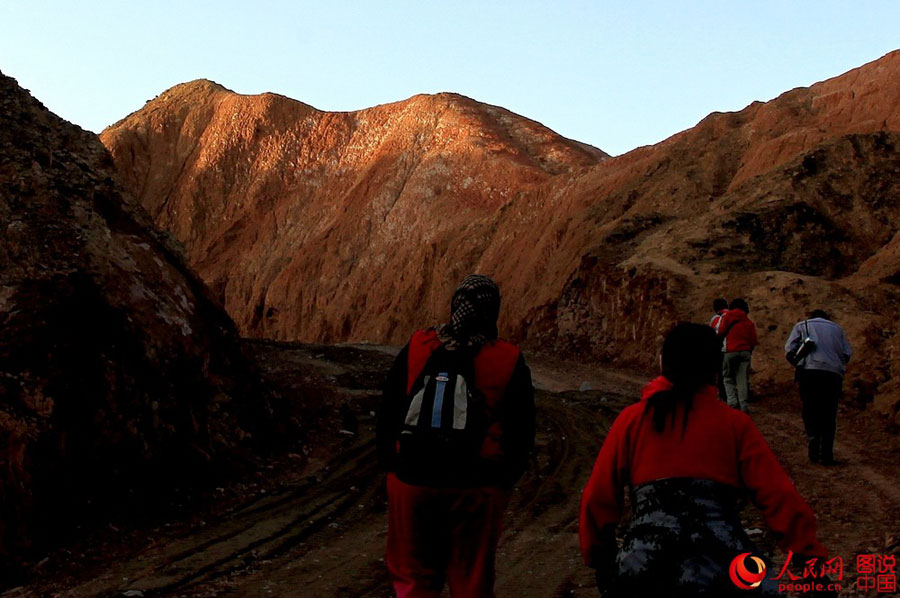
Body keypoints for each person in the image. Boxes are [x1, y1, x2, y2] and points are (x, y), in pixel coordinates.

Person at [579, 323, 828, 597]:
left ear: (664, 363)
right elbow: (779, 498)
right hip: (722, 564)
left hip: (645, 566)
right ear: (714, 369)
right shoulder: (735, 425)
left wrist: (602, 562)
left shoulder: (632, 420)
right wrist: (810, 564)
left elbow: (597, 497)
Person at [376, 274, 535, 598]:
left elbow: (389, 411)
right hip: (474, 488)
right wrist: (500, 483)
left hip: (412, 482)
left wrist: (393, 468)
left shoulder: (420, 345)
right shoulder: (507, 358)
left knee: (413, 578)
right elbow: (521, 432)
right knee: (470, 581)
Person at [784, 310, 852, 465]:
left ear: (811, 317)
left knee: (810, 407)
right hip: (832, 375)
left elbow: (789, 349)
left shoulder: (802, 325)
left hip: (809, 372)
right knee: (829, 411)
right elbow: (847, 353)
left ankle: (813, 437)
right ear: (827, 318)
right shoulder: (838, 329)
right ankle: (827, 452)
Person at [717, 298, 758, 413]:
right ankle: (744, 405)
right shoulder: (748, 322)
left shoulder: (727, 317)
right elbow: (753, 340)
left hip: (730, 350)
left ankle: (732, 403)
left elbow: (720, 332)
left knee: (728, 377)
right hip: (745, 351)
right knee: (742, 379)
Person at [709, 298, 729, 399]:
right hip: (737, 347)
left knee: (722, 374)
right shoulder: (734, 316)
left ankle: (724, 394)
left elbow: (713, 334)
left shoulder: (716, 318)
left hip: (722, 349)